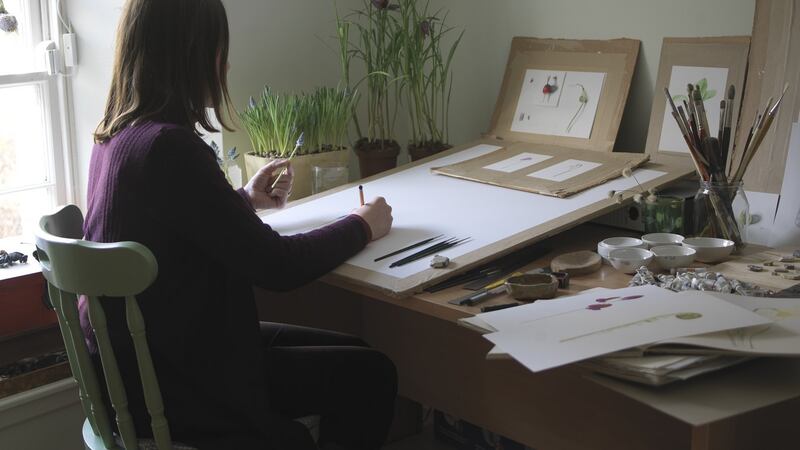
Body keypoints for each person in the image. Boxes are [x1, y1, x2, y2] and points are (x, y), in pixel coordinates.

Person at [81, 0, 397, 448]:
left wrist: (241, 201)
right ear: (192, 54)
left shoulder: (116, 137)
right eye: (218, 49)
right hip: (182, 381)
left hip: (145, 365)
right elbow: (278, 266)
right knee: (372, 375)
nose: (225, 64)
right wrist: (362, 225)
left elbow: (172, 226)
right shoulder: (170, 148)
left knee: (358, 354)